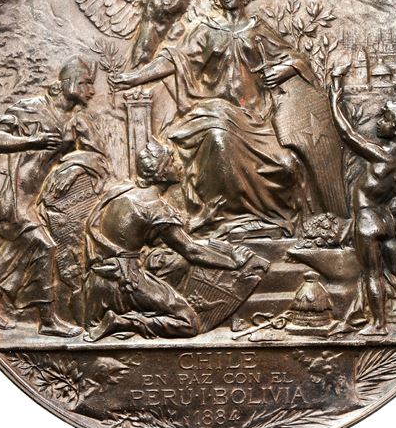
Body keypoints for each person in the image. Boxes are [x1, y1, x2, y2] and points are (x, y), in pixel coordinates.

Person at [111, 0, 346, 237]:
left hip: (255, 119)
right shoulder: (207, 31)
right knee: (219, 140)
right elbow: (174, 59)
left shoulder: (258, 29)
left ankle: (271, 224)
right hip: (215, 111)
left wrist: (285, 69)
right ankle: (223, 221)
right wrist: (133, 78)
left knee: (285, 165)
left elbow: (297, 58)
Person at [0, 57, 97, 336]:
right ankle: (46, 320)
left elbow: (93, 154)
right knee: (41, 244)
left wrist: (75, 165)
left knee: (26, 247)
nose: (91, 91)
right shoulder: (31, 108)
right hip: (6, 186)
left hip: (29, 193)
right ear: (68, 83)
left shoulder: (73, 121)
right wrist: (33, 141)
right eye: (85, 83)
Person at [83, 138, 265, 341]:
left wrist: (201, 219)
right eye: (172, 161)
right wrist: (233, 262)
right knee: (189, 323)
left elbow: (150, 234)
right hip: (125, 283)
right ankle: (122, 322)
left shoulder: (121, 191)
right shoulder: (155, 208)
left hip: (96, 283)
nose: (179, 165)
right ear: (161, 173)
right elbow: (191, 251)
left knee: (173, 265)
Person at [329, 83, 396, 335]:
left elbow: (348, 135)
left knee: (372, 273)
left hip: (368, 219)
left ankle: (378, 325)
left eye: (385, 119)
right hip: (386, 219)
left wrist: (334, 101)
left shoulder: (381, 155)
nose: (378, 122)